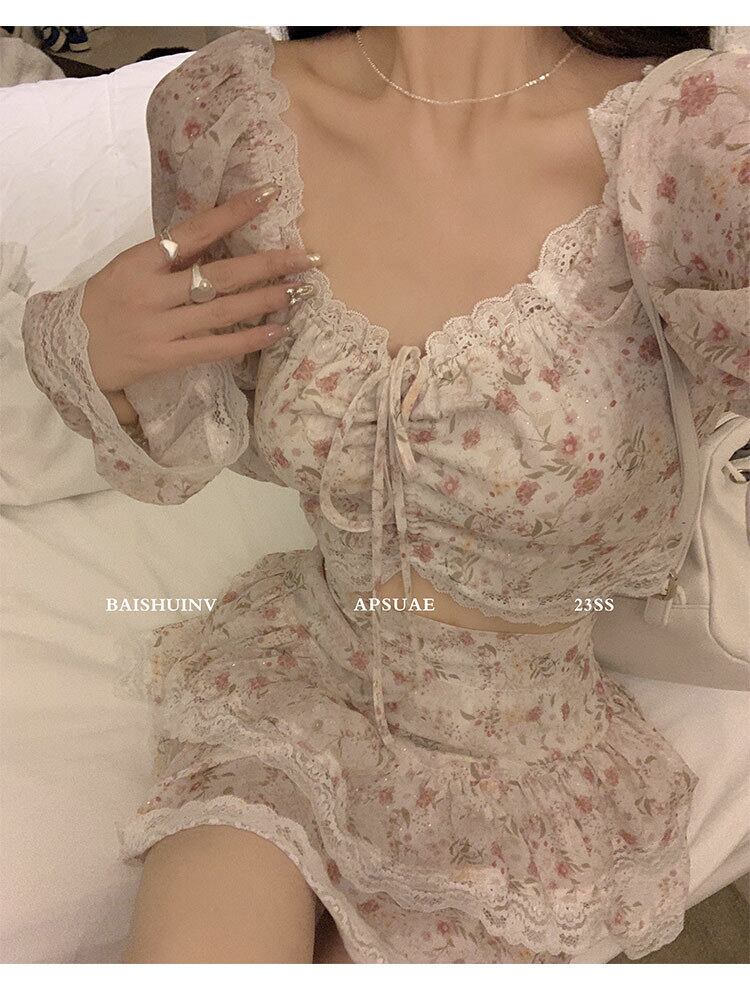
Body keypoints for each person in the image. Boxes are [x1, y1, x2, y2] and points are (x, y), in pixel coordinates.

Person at [21, 26, 750, 964]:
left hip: (533, 753)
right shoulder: (225, 114)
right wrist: (95, 356)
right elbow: (194, 437)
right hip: (299, 679)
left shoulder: (692, 137)